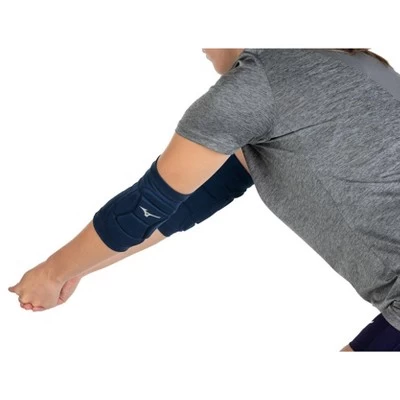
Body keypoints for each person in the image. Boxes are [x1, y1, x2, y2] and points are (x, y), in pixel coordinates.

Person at [8, 48, 400, 352]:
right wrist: (77, 268)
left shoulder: (255, 87)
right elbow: (188, 204)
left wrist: (51, 274)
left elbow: (143, 206)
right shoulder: (355, 63)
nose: (201, 46)